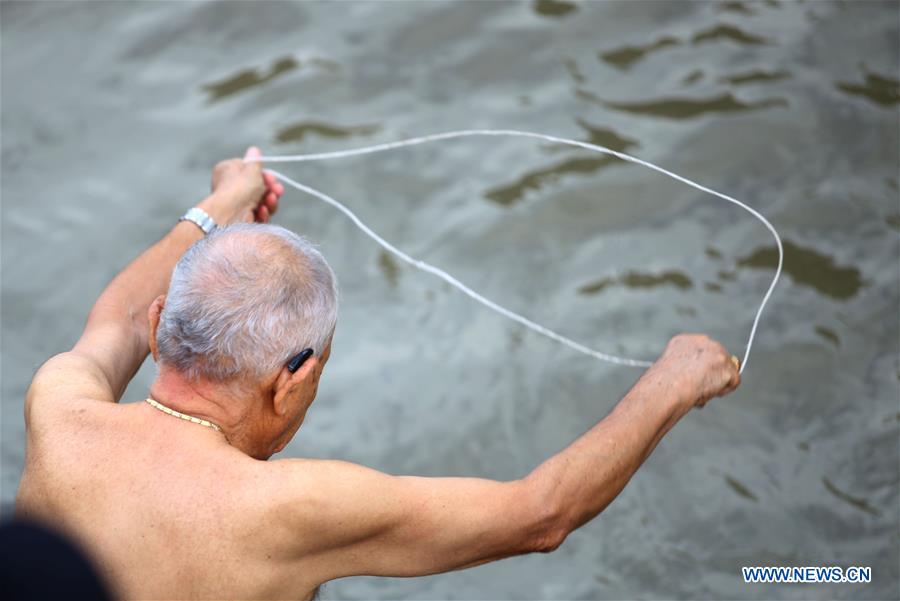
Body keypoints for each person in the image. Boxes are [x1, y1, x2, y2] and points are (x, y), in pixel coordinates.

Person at [15, 147, 741, 600]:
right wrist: (673, 382)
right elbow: (540, 514)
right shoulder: (284, 509)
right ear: (290, 380)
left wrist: (221, 204)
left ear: (159, 324)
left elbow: (110, 317)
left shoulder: (60, 410)